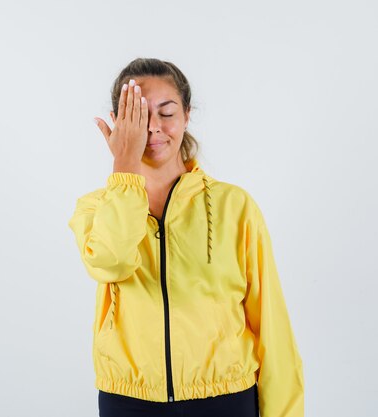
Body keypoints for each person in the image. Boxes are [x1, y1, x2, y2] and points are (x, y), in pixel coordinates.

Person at [68, 58, 304, 417]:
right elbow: (111, 262)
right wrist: (125, 171)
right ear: (118, 123)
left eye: (166, 113)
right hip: (129, 403)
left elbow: (272, 327)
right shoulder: (95, 209)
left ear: (187, 115)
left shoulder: (234, 206)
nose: (153, 128)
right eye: (138, 116)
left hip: (227, 400)